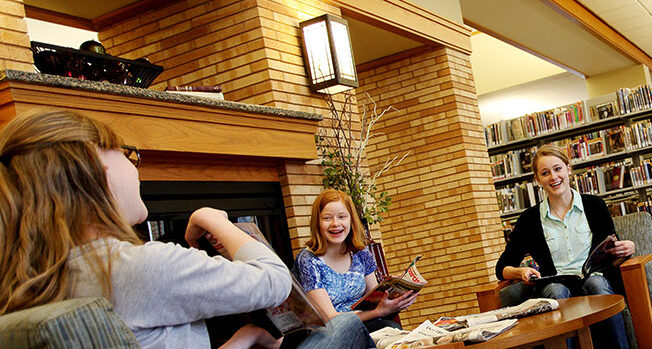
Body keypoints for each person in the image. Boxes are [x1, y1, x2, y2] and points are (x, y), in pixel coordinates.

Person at [0, 110, 375, 349]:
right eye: (130, 153)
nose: (136, 168)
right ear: (99, 171)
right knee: (343, 330)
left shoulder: (32, 280)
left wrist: (247, 338)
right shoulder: (140, 266)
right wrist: (216, 221)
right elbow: (274, 281)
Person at [495, 144, 635, 349]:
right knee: (555, 291)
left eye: (558, 168)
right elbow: (502, 267)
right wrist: (520, 271)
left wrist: (629, 247)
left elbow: (612, 255)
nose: (553, 177)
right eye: (545, 173)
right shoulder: (529, 220)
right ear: (538, 179)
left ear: (568, 169)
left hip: (593, 277)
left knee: (597, 285)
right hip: (555, 285)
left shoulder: (595, 205)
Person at [297, 189, 418, 333]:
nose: (335, 223)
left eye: (342, 217)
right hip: (332, 332)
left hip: (366, 322)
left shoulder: (361, 253)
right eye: (327, 218)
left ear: (351, 220)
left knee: (393, 332)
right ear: (317, 222)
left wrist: (396, 296)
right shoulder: (308, 260)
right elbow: (330, 318)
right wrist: (378, 312)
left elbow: (374, 299)